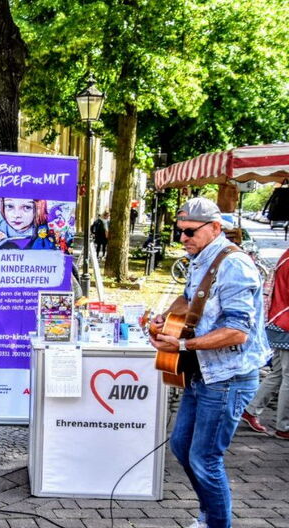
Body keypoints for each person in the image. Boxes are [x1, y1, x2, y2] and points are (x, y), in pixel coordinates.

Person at [149, 197, 269, 528]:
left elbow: (237, 332)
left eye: (189, 232)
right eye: (179, 232)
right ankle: (209, 514)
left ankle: (215, 522)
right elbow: (190, 299)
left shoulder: (234, 265)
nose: (183, 238)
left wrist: (183, 343)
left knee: (205, 458)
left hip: (228, 377)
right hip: (203, 372)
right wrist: (166, 319)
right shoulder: (201, 257)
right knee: (182, 446)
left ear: (215, 228)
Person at [241, 245, 289, 439]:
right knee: (288, 376)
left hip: (278, 320)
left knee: (277, 372)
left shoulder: (286, 256)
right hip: (285, 322)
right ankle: (284, 426)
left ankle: (251, 409)